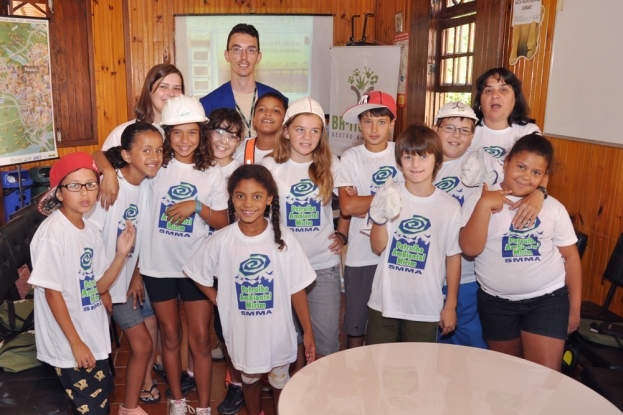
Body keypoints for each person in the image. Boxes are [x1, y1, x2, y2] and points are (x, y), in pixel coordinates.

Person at [183, 164, 316, 415]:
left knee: (280, 382)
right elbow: (194, 270)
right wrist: (216, 297)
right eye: (240, 195)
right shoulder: (222, 240)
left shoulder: (284, 239)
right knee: (249, 381)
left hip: (278, 331)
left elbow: (297, 288)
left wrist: (307, 332)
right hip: (243, 331)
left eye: (257, 196)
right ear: (231, 198)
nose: (248, 203)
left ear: (269, 199)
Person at [459, 133, 582, 371]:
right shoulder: (478, 197)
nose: (526, 176)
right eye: (521, 166)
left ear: (544, 177)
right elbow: (469, 249)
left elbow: (571, 258)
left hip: (547, 300)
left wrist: (574, 309)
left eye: (536, 173)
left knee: (544, 378)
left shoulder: (553, 208)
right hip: (496, 304)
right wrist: (484, 204)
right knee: (508, 377)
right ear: (505, 163)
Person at [139, 95, 229, 415]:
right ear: (166, 134)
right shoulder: (155, 167)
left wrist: (198, 207)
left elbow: (222, 221)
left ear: (202, 134)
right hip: (158, 266)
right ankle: (177, 400)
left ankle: (203, 407)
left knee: (202, 339)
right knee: (171, 338)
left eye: (191, 132)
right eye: (176, 132)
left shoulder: (211, 172)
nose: (184, 140)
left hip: (196, 268)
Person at [28, 152, 136, 415]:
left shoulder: (88, 229)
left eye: (91, 184)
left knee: (97, 405)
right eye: (74, 186)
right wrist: (76, 343)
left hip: (91, 333)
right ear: (59, 193)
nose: (85, 192)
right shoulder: (54, 234)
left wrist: (121, 254)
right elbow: (52, 294)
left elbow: (99, 286)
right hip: (70, 342)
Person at [85, 123, 163, 414]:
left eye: (158, 150)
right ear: (127, 155)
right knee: (95, 353)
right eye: (146, 150)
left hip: (121, 282)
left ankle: (129, 408)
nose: (154, 156)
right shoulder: (110, 187)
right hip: (98, 285)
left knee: (143, 346)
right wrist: (100, 289)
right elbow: (89, 245)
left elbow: (140, 237)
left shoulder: (147, 185)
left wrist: (136, 276)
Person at [261, 97, 346, 365]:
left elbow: (349, 203)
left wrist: (342, 233)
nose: (307, 137)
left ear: (322, 135)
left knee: (326, 345)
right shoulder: (269, 166)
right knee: (292, 343)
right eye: (300, 129)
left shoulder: (332, 165)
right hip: (284, 266)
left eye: (315, 130)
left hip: (322, 266)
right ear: (286, 131)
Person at [365, 123, 461, 344]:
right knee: (377, 368)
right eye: (408, 157)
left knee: (419, 372)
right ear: (399, 162)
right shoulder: (388, 193)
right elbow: (378, 247)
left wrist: (450, 306)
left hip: (425, 306)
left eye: (423, 157)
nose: (415, 164)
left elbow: (453, 257)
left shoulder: (450, 207)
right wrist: (380, 218)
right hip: (385, 302)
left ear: (437, 161)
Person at [432, 102, 503, 348]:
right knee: (426, 348)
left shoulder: (484, 159)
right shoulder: (422, 160)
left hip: (467, 273)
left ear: (473, 135)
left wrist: (541, 193)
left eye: (464, 130)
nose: (456, 135)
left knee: (470, 347)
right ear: (436, 129)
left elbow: (518, 184)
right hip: (427, 270)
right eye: (449, 127)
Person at [335, 91, 404, 348]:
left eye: (381, 121)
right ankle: (354, 378)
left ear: (393, 122)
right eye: (367, 121)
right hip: (361, 254)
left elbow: (411, 199)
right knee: (356, 323)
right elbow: (348, 205)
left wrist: (366, 201)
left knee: (390, 321)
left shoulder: (402, 153)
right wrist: (391, 197)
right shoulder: (352, 157)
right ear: (359, 123)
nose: (374, 129)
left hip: (396, 251)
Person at [94, 63, 184, 209]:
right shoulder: (125, 131)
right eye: (163, 86)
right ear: (149, 91)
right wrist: (109, 172)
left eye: (177, 88)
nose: (171, 93)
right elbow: (99, 157)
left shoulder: (184, 137)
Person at [204, 108, 246, 415]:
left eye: (231, 134)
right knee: (209, 326)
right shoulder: (196, 167)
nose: (223, 140)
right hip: (197, 258)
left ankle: (237, 384)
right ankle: (197, 372)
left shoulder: (242, 172)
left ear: (240, 140)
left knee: (230, 323)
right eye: (217, 131)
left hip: (230, 259)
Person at [470, 67, 545, 230]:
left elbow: (543, 168)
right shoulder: (467, 130)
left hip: (511, 212)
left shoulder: (527, 131)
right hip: (470, 209)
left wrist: (539, 193)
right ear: (480, 100)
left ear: (515, 98)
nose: (495, 95)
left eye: (503, 90)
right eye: (488, 90)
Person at [200, 24, 287, 139]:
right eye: (237, 50)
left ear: (258, 57)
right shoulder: (208, 104)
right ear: (227, 55)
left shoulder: (279, 101)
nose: (244, 57)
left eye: (251, 50)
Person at [234, 92, 287, 165]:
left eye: (276, 111)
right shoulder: (238, 149)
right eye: (261, 109)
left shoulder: (292, 153)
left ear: (285, 121)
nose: (268, 113)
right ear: (254, 120)